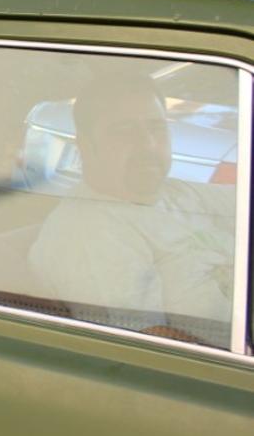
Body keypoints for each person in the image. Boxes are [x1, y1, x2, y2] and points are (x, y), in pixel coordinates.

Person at [28, 73, 235, 337]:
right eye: (124, 131)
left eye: (156, 128)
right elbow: (151, 350)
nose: (148, 144)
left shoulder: (176, 192)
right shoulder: (90, 234)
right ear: (85, 145)